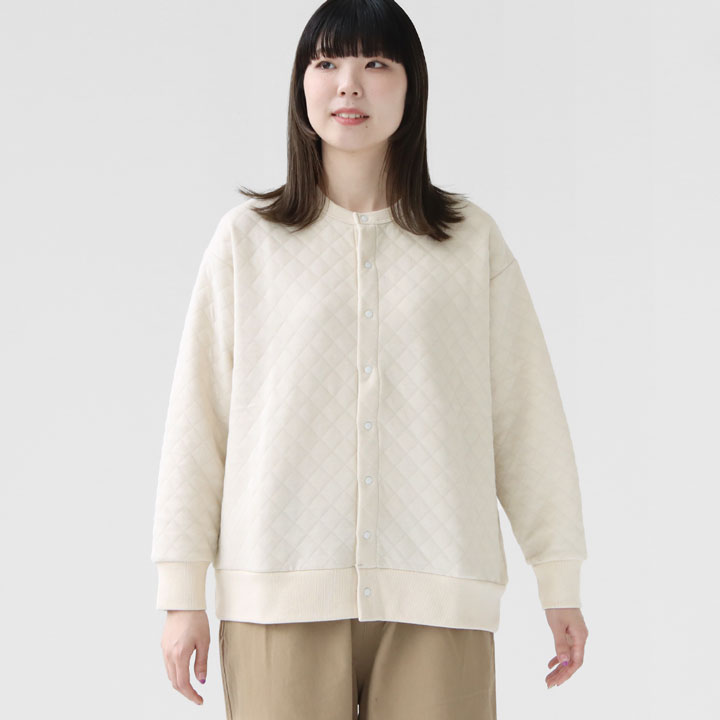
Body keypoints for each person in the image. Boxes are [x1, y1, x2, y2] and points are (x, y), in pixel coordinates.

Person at [151, 0, 589, 717]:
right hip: (277, 591)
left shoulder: (470, 242)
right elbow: (199, 423)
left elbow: (525, 414)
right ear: (301, 84)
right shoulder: (246, 243)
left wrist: (559, 578)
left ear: (412, 86)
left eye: (375, 63)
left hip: (440, 589)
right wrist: (180, 594)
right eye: (326, 62)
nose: (348, 84)